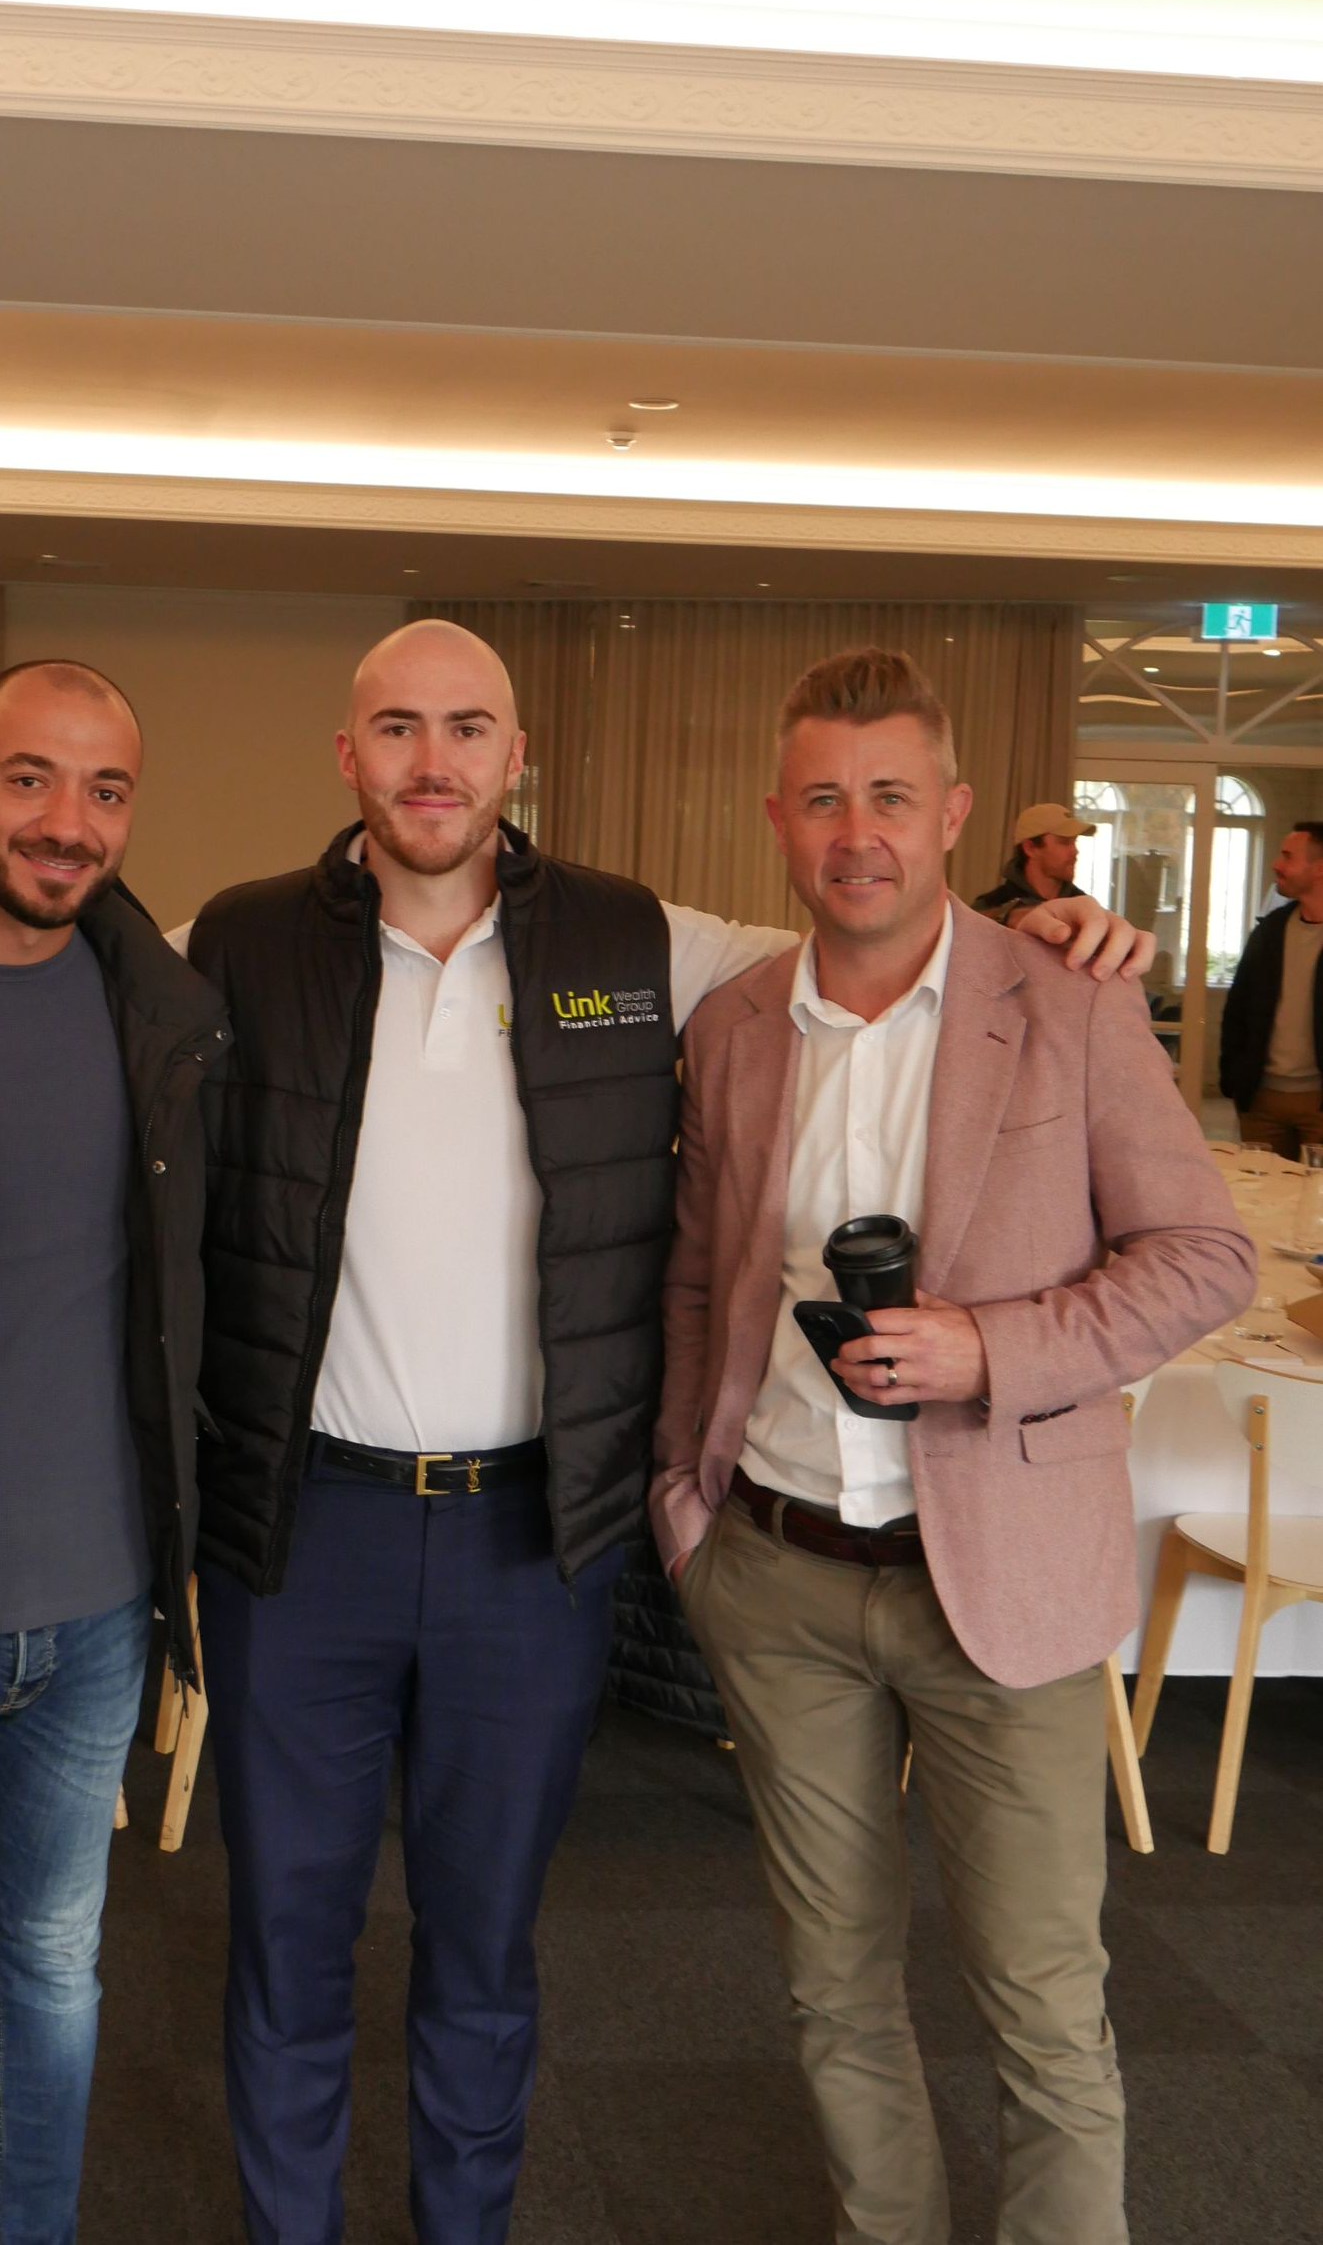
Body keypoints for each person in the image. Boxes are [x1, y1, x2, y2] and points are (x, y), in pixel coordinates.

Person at [178, 618, 1154, 2245]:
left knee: (483, 1945)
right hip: (305, 1532)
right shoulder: (242, 938)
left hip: (524, 1547)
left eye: (469, 727)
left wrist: (1043, 933)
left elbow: (865, 941)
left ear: (514, 758)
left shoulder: (635, 941)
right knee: (283, 1936)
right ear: (345, 755)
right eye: (399, 728)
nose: (435, 761)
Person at [652, 646, 1253, 2245]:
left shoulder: (1066, 999)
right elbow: (694, 1276)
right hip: (774, 1570)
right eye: (827, 798)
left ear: (952, 814)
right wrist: (683, 1509)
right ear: (779, 818)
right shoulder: (727, 1026)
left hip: (1000, 1582)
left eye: (893, 798)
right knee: (829, 1986)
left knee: (1040, 2004)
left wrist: (987, 1348)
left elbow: (1202, 1259)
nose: (859, 833)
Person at [0, 659, 228, 2245]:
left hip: (90, 1607)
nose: (65, 823)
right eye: (26, 777)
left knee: (50, 1963)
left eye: (103, 790)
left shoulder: (164, 1009)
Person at [1220, 820, 1323, 1159]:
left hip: (1319, 1103)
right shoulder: (1270, 932)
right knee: (1261, 1201)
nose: (1277, 864)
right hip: (1261, 1101)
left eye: (1287, 856)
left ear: (1319, 867)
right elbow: (1238, 1008)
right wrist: (1234, 1077)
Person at [973, 799, 1095, 919]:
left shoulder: (1085, 909)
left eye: (1075, 842)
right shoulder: (989, 908)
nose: (1075, 851)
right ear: (1030, 848)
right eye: (1064, 842)